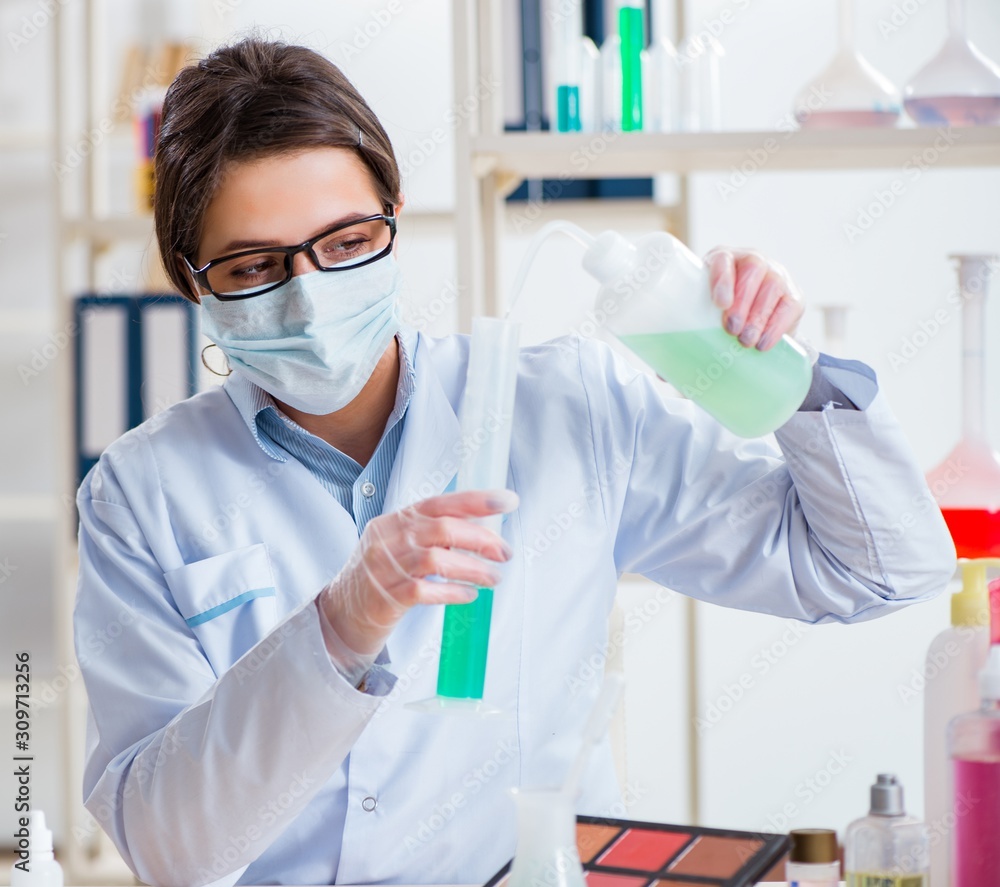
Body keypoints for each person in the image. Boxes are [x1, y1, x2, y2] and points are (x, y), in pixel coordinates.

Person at [73, 37, 955, 887]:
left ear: (395, 215)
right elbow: (168, 847)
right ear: (194, 283)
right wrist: (339, 625)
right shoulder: (142, 493)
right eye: (256, 265)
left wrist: (784, 372)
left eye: (346, 243)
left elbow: (882, 570)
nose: (310, 290)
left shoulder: (574, 405)